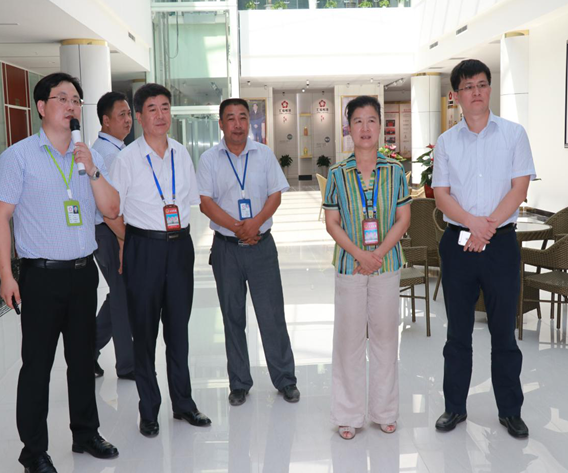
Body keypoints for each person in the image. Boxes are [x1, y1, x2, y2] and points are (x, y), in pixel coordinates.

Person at [0, 72, 120, 473]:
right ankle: (33, 452)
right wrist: (7, 276)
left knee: (82, 360)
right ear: (42, 107)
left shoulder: (87, 157)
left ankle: (85, 433)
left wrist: (92, 170)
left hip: (83, 274)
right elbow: (0, 218)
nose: (71, 105)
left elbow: (112, 209)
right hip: (41, 277)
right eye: (62, 98)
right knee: (38, 366)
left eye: (76, 99)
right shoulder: (18, 157)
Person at [432, 59, 536, 438]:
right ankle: (454, 407)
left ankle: (510, 411)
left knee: (503, 332)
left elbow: (519, 189)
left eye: (481, 84)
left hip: (501, 244)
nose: (475, 92)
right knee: (457, 333)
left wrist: (486, 226)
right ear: (456, 95)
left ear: (489, 89)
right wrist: (472, 223)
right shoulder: (446, 142)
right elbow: (441, 195)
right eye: (467, 86)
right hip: (458, 244)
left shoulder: (513, 134)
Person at [109, 83, 211, 437]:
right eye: (152, 109)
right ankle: (149, 410)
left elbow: (188, 202)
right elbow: (110, 211)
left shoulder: (182, 154)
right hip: (144, 248)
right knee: (144, 332)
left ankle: (183, 404)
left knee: (178, 330)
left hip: (179, 247)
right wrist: (130, 241)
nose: (160, 115)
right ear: (139, 116)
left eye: (165, 107)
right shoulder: (127, 159)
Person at [197, 98, 299, 407]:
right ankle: (239, 383)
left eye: (243, 117)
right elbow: (205, 203)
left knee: (272, 315)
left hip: (261, 247)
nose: (238, 124)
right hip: (226, 249)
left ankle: (285, 379)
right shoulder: (209, 159)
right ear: (221, 124)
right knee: (232, 318)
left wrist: (254, 224)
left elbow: (275, 195)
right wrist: (237, 227)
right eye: (231, 118)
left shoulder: (264, 154)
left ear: (249, 122)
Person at [323, 95, 411, 440]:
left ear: (380, 126)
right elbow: (332, 223)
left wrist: (377, 254)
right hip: (350, 265)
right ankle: (348, 414)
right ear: (348, 128)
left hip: (386, 265)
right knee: (348, 341)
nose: (365, 127)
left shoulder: (395, 170)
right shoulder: (337, 173)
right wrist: (360, 254)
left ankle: (385, 411)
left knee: (386, 338)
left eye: (371, 120)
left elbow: (403, 218)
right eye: (357, 121)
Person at [91, 91, 135, 380]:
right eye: (122, 115)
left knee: (121, 293)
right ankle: (127, 365)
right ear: (106, 121)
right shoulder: (106, 153)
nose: (128, 119)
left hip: (116, 230)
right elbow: (108, 206)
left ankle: (87, 350)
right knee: (122, 296)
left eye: (129, 114)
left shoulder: (116, 148)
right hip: (109, 232)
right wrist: (122, 240)